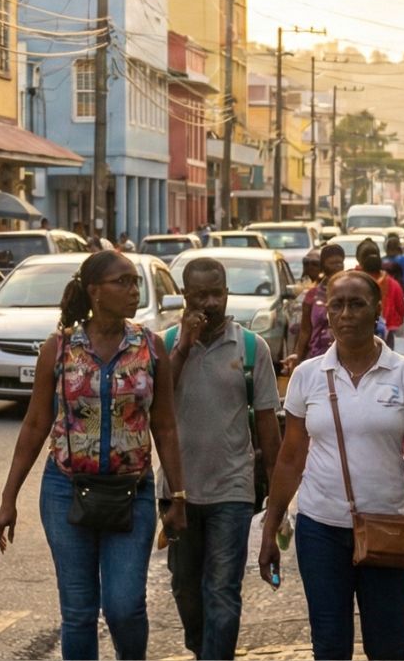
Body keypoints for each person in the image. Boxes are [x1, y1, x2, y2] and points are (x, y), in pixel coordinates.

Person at [0, 250, 187, 660]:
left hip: (131, 494)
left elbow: (166, 426)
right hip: (66, 491)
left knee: (124, 607)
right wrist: (9, 498)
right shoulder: (59, 348)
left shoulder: (150, 347)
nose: (133, 291)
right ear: (95, 291)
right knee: (78, 612)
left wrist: (178, 496)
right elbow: (34, 425)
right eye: (123, 282)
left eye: (135, 282)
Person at [258, 269, 404, 660]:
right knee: (329, 644)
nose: (345, 314)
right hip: (320, 529)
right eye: (336, 305)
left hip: (388, 525)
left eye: (356, 304)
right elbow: (290, 457)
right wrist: (270, 528)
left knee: (387, 646)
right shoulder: (307, 375)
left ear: (377, 310)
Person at [163, 257, 282, 661]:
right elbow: (154, 403)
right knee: (185, 586)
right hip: (178, 492)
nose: (211, 303)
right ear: (185, 296)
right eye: (201, 296)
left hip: (233, 489)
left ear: (228, 293)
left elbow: (268, 426)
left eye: (218, 294)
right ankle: (203, 650)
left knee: (223, 590)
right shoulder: (164, 345)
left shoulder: (251, 348)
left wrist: (278, 498)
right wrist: (183, 346)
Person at [285, 244, 346, 372]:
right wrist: (298, 358)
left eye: (340, 263)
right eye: (332, 263)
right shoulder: (312, 295)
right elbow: (305, 330)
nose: (337, 267)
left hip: (345, 361)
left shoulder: (350, 293)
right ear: (323, 266)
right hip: (317, 359)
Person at [357, 240, 404, 350]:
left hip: (360, 329)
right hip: (388, 329)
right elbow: (401, 309)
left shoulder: (355, 282)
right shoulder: (393, 284)